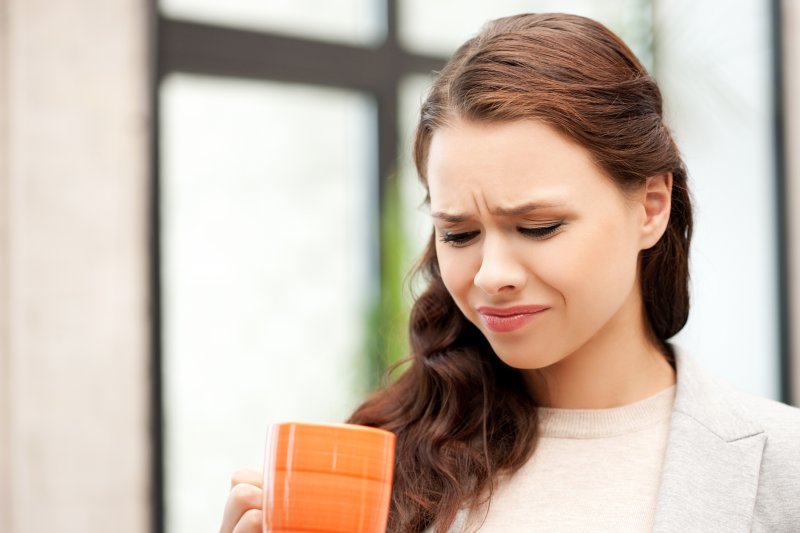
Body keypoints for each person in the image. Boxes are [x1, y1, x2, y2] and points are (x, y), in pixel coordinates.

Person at [220, 12, 800, 533]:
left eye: (539, 226)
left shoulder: (782, 468)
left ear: (650, 207)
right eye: (459, 234)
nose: (491, 275)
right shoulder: (384, 462)